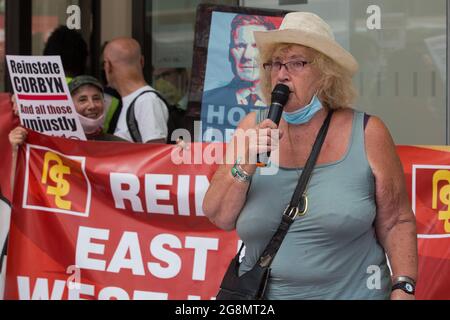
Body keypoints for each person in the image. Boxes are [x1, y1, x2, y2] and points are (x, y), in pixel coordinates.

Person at [203, 12, 418, 300]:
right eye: (276, 63)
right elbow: (219, 216)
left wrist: (403, 287)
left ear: (326, 74)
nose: (282, 74)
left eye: (297, 63)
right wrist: (246, 163)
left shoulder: (368, 132)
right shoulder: (250, 128)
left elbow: (397, 220)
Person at [102, 37, 169, 143]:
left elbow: (156, 152)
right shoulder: (137, 101)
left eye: (103, 64)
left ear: (108, 65)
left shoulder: (146, 101)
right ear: (142, 61)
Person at [203, 15, 275, 107]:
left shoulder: (288, 105)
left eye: (256, 46)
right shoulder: (206, 101)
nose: (247, 55)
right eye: (240, 46)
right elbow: (196, 122)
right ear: (230, 52)